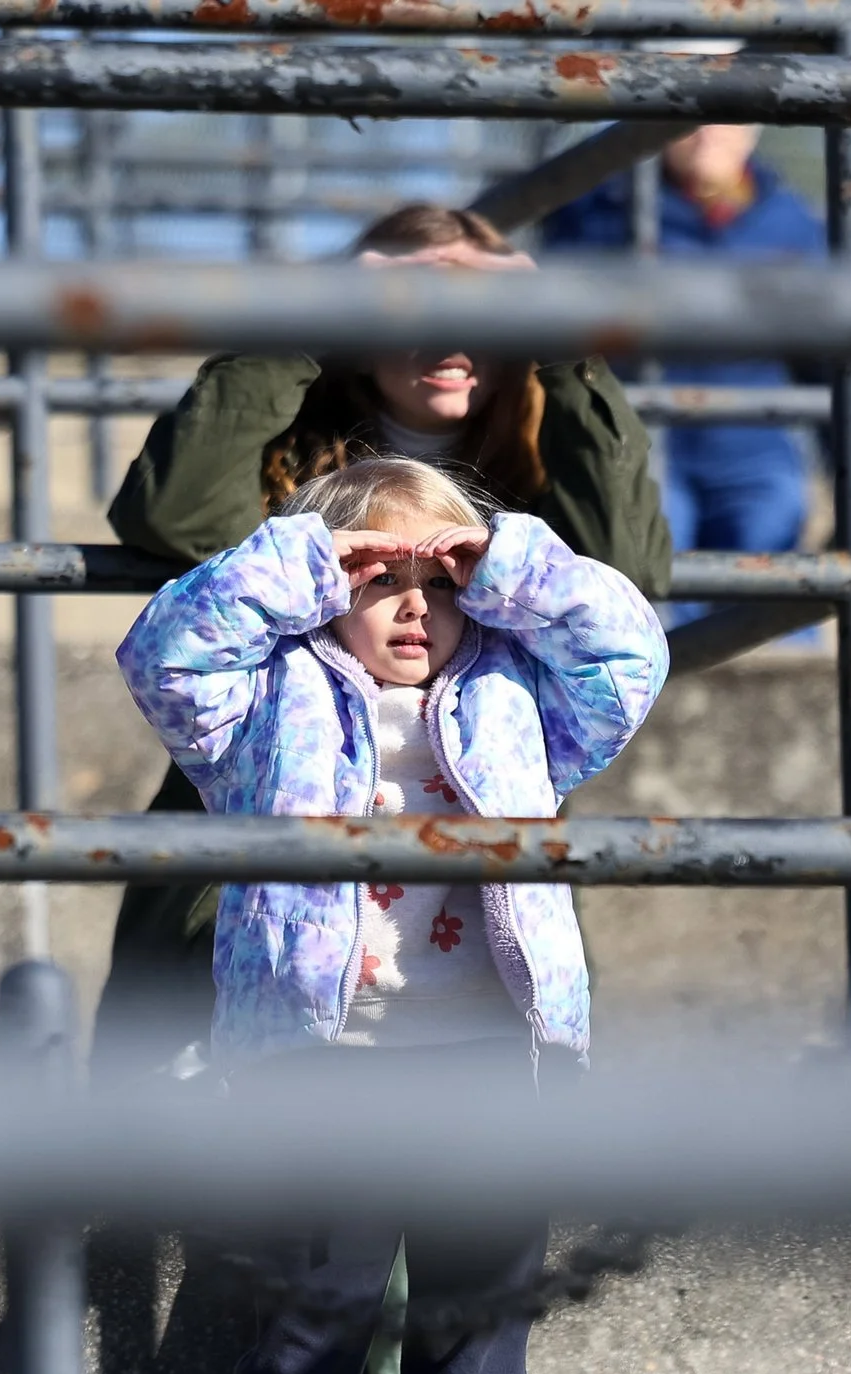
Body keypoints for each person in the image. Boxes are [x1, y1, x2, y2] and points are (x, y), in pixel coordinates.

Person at [114, 456, 667, 1374]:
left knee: (475, 1344)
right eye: (381, 578)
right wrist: (306, 561)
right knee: (304, 1337)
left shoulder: (523, 693)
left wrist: (507, 562)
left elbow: (631, 655)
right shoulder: (262, 702)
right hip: (326, 1066)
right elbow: (163, 657)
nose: (417, 604)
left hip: (490, 1063)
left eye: (443, 579)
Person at [95, 203, 671, 1085]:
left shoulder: (540, 471)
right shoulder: (284, 466)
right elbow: (172, 519)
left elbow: (623, 581)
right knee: (211, 1158)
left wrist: (565, 340)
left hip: (468, 943)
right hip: (259, 855)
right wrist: (305, 323)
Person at [544, 126, 827, 562]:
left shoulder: (791, 219)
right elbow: (560, 334)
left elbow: (826, 354)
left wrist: (841, 454)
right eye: (690, 116)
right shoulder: (602, 210)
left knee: (773, 536)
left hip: (753, 442)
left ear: (753, 127)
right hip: (637, 436)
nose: (708, 132)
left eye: (725, 114)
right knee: (649, 565)